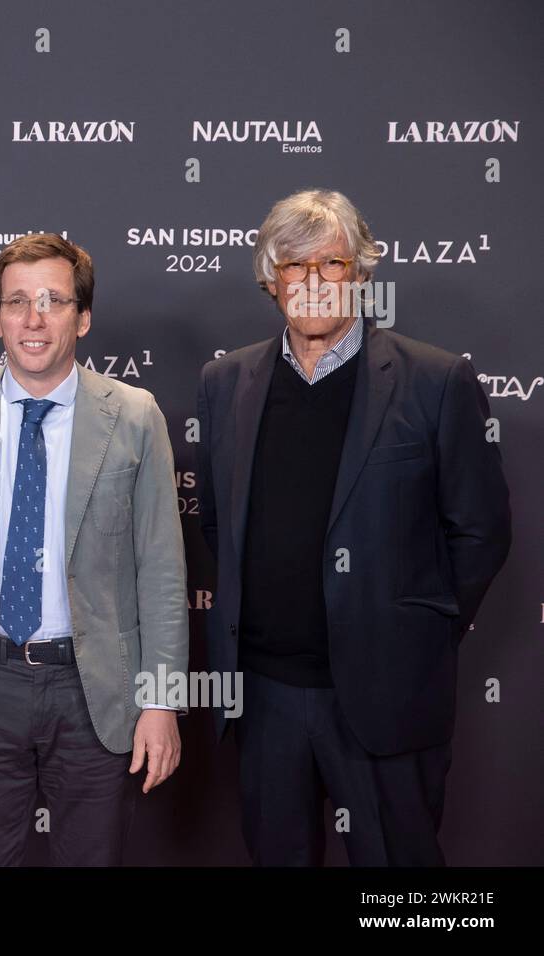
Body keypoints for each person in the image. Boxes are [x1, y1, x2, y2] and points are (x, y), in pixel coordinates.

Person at [195, 188, 512, 865]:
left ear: (361, 274)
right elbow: (220, 527)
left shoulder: (435, 380)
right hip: (266, 696)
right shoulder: (225, 382)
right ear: (270, 281)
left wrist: (415, 629)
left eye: (330, 264)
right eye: (293, 267)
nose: (312, 284)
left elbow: (480, 530)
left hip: (387, 695)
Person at [0, 233, 188, 865]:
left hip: (96, 692)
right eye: (18, 302)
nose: (34, 319)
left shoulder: (135, 416)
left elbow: (162, 570)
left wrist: (161, 701)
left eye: (54, 300)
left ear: (82, 317)